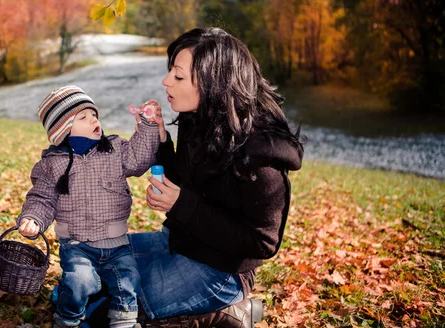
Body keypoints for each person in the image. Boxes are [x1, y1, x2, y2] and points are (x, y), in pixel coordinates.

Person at [88, 28, 304, 328]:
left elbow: (262, 242)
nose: (166, 82)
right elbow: (185, 182)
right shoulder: (198, 118)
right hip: (177, 242)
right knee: (87, 273)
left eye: (178, 76)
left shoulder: (261, 154)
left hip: (221, 272)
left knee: (104, 314)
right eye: (170, 73)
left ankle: (228, 314)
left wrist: (181, 205)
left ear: (214, 83)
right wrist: (162, 140)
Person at [16, 85, 163, 328]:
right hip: (77, 244)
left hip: (116, 243)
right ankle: (67, 319)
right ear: (63, 131)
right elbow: (42, 197)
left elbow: (139, 159)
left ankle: (123, 321)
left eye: (93, 114)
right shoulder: (53, 165)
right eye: (83, 117)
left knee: (128, 279)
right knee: (80, 281)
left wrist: (148, 125)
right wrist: (32, 218)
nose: (93, 119)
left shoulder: (114, 149)